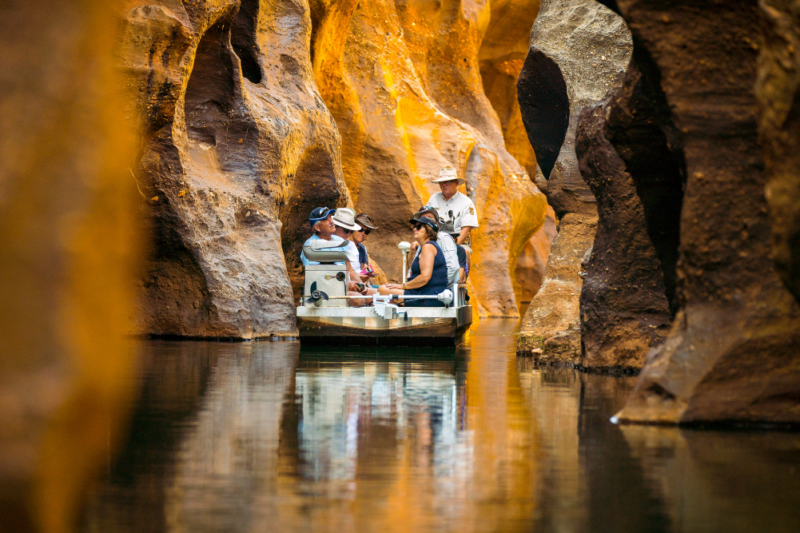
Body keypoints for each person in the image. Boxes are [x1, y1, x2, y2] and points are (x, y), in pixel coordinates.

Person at [300, 207, 371, 306]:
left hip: (343, 288)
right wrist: (347, 284)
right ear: (317, 227)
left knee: (374, 294)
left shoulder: (339, 241)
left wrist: (362, 285)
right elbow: (319, 277)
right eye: (326, 220)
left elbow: (349, 269)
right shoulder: (311, 246)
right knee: (358, 299)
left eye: (330, 217)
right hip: (324, 292)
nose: (331, 221)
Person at [379, 216, 448, 307]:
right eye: (414, 227)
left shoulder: (428, 247)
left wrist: (403, 286)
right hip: (423, 292)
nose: (414, 229)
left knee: (382, 290)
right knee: (380, 290)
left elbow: (425, 277)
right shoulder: (426, 246)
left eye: (418, 227)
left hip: (430, 296)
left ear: (428, 229)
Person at [331, 208, 378, 302]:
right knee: (361, 299)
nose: (349, 233)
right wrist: (350, 283)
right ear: (335, 227)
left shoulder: (349, 246)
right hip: (335, 287)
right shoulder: (327, 244)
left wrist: (361, 284)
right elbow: (326, 277)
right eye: (346, 230)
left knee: (380, 295)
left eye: (350, 230)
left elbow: (351, 270)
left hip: (350, 284)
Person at [426, 166, 479, 246]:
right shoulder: (434, 199)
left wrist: (451, 247)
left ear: (456, 183)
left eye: (448, 182)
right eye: (442, 182)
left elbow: (466, 230)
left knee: (466, 252)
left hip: (458, 243)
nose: (444, 185)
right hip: (435, 242)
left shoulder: (466, 202)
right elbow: (426, 222)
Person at [410, 207, 461, 286]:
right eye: (422, 219)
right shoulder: (423, 242)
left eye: (429, 218)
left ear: (437, 223)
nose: (426, 220)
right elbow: (413, 270)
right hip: (421, 288)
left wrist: (437, 287)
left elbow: (452, 266)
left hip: (438, 292)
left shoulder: (443, 237)